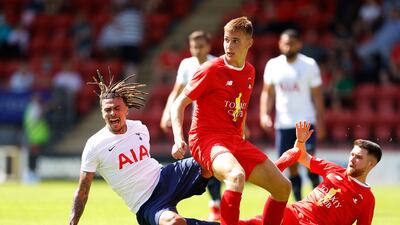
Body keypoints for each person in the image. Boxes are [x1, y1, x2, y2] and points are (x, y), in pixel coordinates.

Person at [170, 17, 291, 225]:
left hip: (234, 140)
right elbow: (178, 104)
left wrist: (241, 131)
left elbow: (239, 107)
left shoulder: (250, 72)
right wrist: (178, 139)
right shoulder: (210, 69)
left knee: (283, 187)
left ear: (249, 43)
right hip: (205, 138)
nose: (229, 45)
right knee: (236, 176)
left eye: (235, 40)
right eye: (226, 40)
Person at [68, 70, 220, 225]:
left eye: (117, 108)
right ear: (102, 113)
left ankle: (228, 202)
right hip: (146, 204)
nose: (112, 113)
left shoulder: (140, 128)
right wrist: (72, 222)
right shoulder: (95, 145)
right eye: (107, 110)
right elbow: (82, 191)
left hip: (165, 178)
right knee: (175, 223)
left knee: (211, 159)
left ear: (126, 110)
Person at [241, 121, 382, 225]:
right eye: (352, 154)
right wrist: (300, 141)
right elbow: (302, 156)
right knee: (256, 222)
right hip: (294, 213)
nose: (352, 159)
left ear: (371, 164)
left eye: (359, 157)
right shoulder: (334, 169)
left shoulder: (367, 199)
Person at [159, 30, 222, 221]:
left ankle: (217, 204)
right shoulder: (186, 65)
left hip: (218, 119)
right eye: (194, 46)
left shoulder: (217, 64)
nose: (197, 50)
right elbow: (177, 91)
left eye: (200, 46)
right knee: (205, 162)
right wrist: (166, 112)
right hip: (200, 121)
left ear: (208, 46)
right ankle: (216, 204)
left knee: (213, 162)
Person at [259, 29, 325, 201]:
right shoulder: (273, 65)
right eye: (285, 43)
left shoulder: (309, 65)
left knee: (309, 162)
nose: (288, 46)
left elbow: (317, 95)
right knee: (292, 166)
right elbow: (268, 92)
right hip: (283, 124)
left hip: (306, 122)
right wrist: (264, 114)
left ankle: (318, 200)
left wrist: (320, 120)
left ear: (299, 44)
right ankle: (300, 203)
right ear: (280, 44)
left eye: (292, 43)